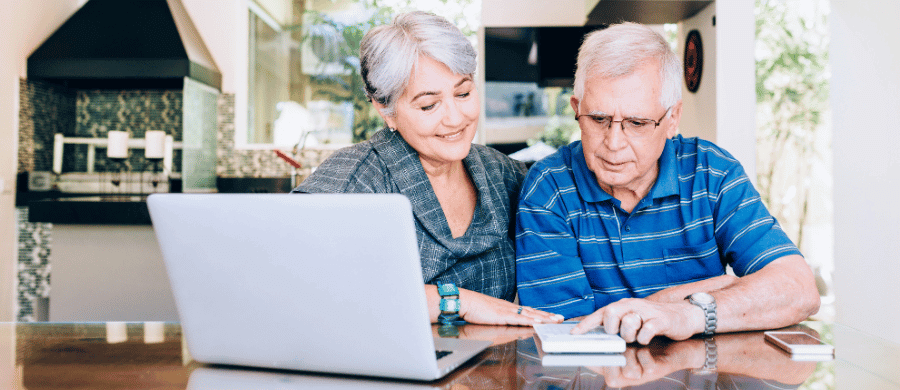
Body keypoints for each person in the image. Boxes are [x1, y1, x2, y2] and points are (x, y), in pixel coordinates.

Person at [515, 22, 819, 344]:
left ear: (672, 119)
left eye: (637, 123)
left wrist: (687, 315)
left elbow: (799, 289)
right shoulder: (548, 188)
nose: (614, 143)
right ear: (577, 109)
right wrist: (721, 287)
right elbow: (570, 334)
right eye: (599, 119)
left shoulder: (712, 172)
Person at [295, 11, 562, 326]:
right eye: (428, 105)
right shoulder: (354, 181)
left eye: (463, 93)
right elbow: (293, 286)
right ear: (386, 109)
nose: (455, 118)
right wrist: (456, 301)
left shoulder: (503, 175)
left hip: (490, 367)